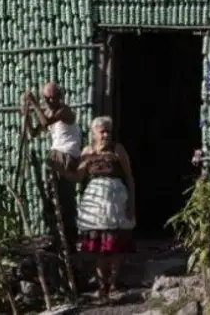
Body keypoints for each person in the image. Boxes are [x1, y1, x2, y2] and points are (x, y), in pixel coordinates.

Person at [73, 116, 136, 302]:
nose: (106, 134)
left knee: (115, 245)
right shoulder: (88, 150)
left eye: (108, 131)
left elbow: (130, 178)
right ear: (94, 133)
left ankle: (114, 282)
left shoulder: (118, 150)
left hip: (115, 199)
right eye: (102, 131)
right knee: (100, 248)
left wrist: (131, 204)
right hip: (95, 202)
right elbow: (78, 177)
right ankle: (102, 286)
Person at [24, 81, 81, 254]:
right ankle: (58, 240)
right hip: (56, 155)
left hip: (66, 155)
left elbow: (46, 121)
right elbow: (34, 133)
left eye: (52, 97)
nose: (49, 101)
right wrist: (26, 115)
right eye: (46, 98)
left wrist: (34, 103)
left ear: (60, 96)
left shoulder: (65, 111)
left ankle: (69, 242)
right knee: (53, 199)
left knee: (64, 198)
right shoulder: (49, 111)